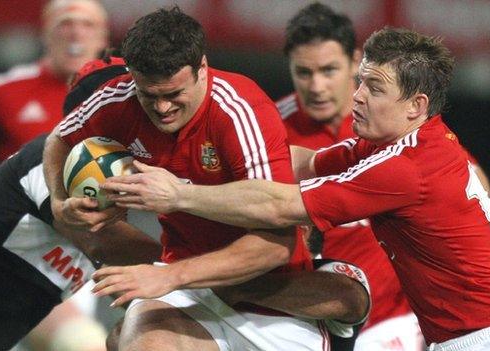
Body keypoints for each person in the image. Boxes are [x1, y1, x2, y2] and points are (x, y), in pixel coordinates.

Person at [101, 27, 490, 350]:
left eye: (374, 88)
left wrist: (178, 194)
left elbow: (281, 206)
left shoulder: (405, 168)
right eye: (360, 81)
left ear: (416, 105)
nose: (356, 96)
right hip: (452, 340)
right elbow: (302, 162)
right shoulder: (383, 148)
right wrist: (233, 142)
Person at [43, 6, 360, 350]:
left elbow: (276, 245)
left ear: (202, 69)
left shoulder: (239, 111)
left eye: (174, 94)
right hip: (186, 292)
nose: (162, 108)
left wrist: (167, 271)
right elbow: (58, 139)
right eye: (150, 96)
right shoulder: (117, 99)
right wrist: (61, 202)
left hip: (270, 300)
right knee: (143, 343)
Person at [278, 4, 423, 350]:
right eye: (304, 72)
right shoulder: (269, 131)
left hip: (395, 318)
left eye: (329, 70)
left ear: (357, 62)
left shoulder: (392, 121)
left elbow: (472, 180)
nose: (316, 86)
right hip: (317, 320)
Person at [0, 133, 162, 351]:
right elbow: (101, 241)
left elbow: (131, 285)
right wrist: (187, 267)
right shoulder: (48, 164)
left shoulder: (106, 215)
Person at [0, 0, 108, 162]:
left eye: (88, 25)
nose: (76, 34)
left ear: (103, 39)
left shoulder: (128, 91)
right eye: (65, 23)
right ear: (44, 34)